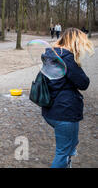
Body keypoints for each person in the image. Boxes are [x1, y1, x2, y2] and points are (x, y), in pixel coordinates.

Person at [41, 28, 94, 168]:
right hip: (65, 112)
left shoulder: (51, 54)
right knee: (62, 153)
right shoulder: (67, 58)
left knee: (71, 144)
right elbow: (83, 83)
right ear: (74, 42)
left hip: (51, 111)